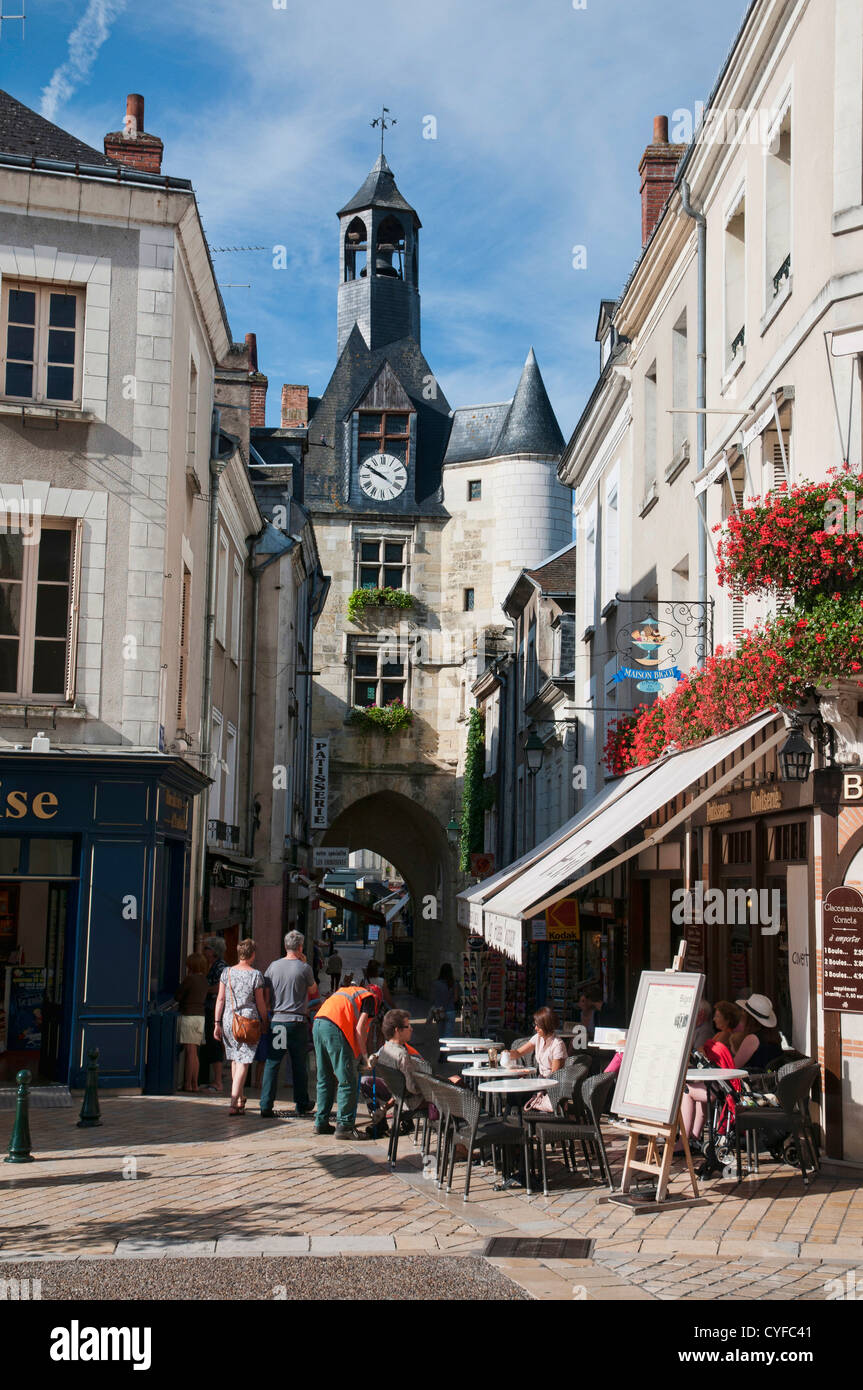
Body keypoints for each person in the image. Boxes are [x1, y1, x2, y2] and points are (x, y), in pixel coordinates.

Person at [260, 929, 315, 1118]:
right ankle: (301, 1104)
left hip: (278, 1022)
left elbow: (266, 989)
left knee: (273, 1062)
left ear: (285, 946)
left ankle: (266, 1104)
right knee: (299, 1064)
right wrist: (305, 963)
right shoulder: (304, 968)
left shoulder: (273, 967)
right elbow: (313, 988)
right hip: (297, 1022)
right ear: (300, 947)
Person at [312, 981, 378, 1139]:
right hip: (335, 1027)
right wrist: (364, 1057)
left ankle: (320, 1123)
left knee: (325, 1077)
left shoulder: (347, 991)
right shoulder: (369, 998)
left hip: (318, 1024)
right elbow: (360, 1028)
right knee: (347, 1080)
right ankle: (345, 1127)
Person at [214, 939, 268, 1116]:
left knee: (235, 1060)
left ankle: (239, 1099)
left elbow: (220, 999)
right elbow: (260, 1002)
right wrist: (265, 1019)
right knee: (244, 1061)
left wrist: (217, 1023)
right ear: (252, 954)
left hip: (229, 1020)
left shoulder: (226, 972)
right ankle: (233, 1101)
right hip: (247, 1022)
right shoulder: (256, 975)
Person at [509, 1006, 567, 1113]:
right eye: (535, 1025)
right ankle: (515, 1120)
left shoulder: (557, 1045)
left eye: (538, 1026)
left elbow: (554, 1076)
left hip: (551, 1088)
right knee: (513, 1092)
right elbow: (519, 1053)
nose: (535, 1028)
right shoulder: (538, 1038)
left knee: (519, 1095)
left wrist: (535, 1084)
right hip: (540, 1082)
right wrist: (506, 1054)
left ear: (546, 1026)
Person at [175, 953, 209, 1092]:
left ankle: (188, 1084)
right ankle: (195, 1084)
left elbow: (178, 996)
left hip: (189, 1016)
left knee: (190, 1052)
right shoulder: (204, 980)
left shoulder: (190, 979)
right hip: (200, 1017)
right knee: (194, 1053)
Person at [200, 936, 227, 1093]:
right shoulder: (211, 965)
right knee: (210, 1043)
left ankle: (217, 1081)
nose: (204, 951)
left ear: (213, 951)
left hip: (215, 1010)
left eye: (206, 948)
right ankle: (210, 1078)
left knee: (214, 1043)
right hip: (209, 1008)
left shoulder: (220, 966)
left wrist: (205, 989)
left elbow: (220, 987)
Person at [731, 994, 784, 1070]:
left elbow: (733, 1066)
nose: (742, 1014)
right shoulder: (774, 1037)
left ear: (748, 1016)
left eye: (744, 1011)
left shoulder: (752, 1039)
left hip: (754, 1080)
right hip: (770, 1080)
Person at [430, 962, 459, 1034]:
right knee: (449, 1035)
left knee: (441, 1034)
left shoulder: (436, 983)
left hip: (439, 1011)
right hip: (450, 1010)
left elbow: (433, 998)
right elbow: (455, 998)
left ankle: (442, 1045)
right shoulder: (454, 983)